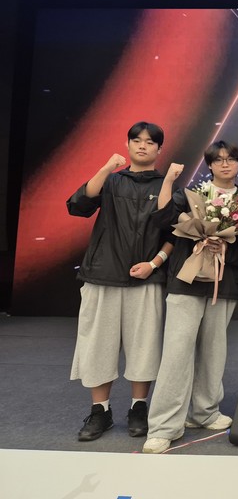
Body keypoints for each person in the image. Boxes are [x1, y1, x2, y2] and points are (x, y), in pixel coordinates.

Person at [143, 140, 238, 454]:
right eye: (218, 159)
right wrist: (169, 182)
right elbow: (163, 221)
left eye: (231, 159)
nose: (225, 164)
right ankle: (163, 426)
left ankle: (204, 412)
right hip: (186, 283)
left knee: (214, 351)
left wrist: (222, 244)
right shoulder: (191, 195)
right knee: (176, 353)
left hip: (224, 285)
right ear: (210, 165)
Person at [67, 121, 172, 442]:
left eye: (150, 142)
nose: (142, 146)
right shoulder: (111, 180)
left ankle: (139, 408)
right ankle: (100, 411)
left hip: (146, 280)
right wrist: (106, 168)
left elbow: (174, 234)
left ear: (159, 149)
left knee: (145, 346)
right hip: (102, 275)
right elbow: (78, 206)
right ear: (127, 145)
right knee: (98, 346)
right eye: (136, 140)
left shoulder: (167, 184)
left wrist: (154, 264)